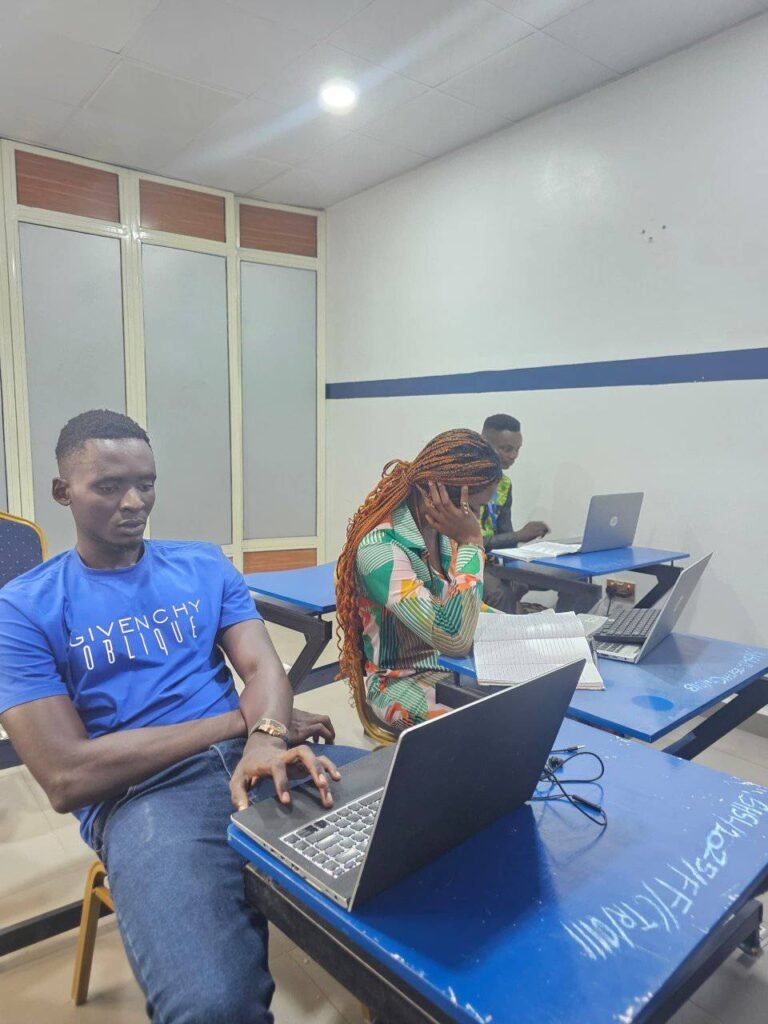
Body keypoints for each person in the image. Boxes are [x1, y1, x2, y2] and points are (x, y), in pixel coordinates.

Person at [0, 409, 364, 1024]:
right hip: (146, 799)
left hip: (258, 762)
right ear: (63, 492)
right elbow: (66, 777)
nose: (134, 502)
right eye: (109, 486)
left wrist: (266, 738)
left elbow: (264, 669)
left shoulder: (201, 564)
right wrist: (244, 723)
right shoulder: (23, 608)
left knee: (433, 836)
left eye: (145, 484)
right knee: (211, 1007)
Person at [336, 428, 502, 732]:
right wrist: (471, 543)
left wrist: (538, 630)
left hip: (453, 669)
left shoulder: (443, 532)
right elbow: (453, 638)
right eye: (475, 509)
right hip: (400, 682)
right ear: (436, 495)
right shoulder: (380, 549)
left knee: (532, 704)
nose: (476, 521)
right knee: (488, 727)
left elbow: (464, 607)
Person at [479, 413, 600, 614]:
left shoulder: (504, 484)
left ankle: (564, 630)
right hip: (469, 564)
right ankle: (509, 632)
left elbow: (507, 539)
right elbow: (465, 543)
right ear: (483, 444)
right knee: (499, 592)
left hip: (496, 563)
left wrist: (520, 567)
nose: (514, 455)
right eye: (506, 449)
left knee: (579, 581)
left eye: (517, 449)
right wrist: (519, 536)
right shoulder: (463, 481)